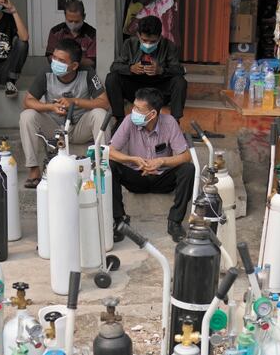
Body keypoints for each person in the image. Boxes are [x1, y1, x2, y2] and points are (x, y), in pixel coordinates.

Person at [19, 39, 110, 188]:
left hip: (80, 126)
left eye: (61, 60)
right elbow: (28, 101)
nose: (55, 62)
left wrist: (75, 102)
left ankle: (102, 167)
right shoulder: (46, 72)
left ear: (74, 65)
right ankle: (34, 170)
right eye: (54, 58)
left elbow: (104, 103)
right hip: (55, 127)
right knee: (27, 115)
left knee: (100, 114)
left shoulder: (87, 73)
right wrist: (50, 107)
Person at [108, 87, 194, 241]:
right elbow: (110, 151)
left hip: (162, 177)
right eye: (133, 106)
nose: (133, 111)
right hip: (136, 176)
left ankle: (174, 221)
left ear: (152, 114)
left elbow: (186, 156)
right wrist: (131, 159)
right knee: (110, 165)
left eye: (138, 109)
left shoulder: (170, 123)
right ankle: (120, 220)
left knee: (188, 169)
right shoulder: (129, 121)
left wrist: (161, 161)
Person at [106, 16, 186, 127]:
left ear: (159, 36)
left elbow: (179, 70)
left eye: (153, 41)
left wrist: (161, 70)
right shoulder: (129, 44)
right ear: (138, 35)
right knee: (112, 78)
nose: (148, 44)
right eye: (144, 40)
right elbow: (114, 66)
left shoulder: (169, 45)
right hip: (135, 87)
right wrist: (130, 69)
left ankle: (175, 122)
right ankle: (119, 120)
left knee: (180, 81)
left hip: (159, 89)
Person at [45, 0, 96, 70]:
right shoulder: (55, 32)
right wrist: (62, 65)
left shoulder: (92, 34)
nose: (73, 24)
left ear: (84, 17)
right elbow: (50, 55)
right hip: (60, 71)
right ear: (65, 16)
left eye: (77, 21)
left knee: (97, 81)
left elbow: (92, 61)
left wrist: (70, 62)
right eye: (70, 21)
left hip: (85, 71)